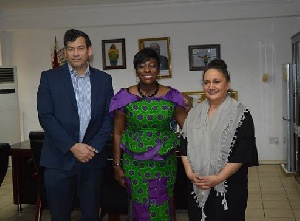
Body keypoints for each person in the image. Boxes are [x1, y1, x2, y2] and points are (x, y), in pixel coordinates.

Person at [37, 29, 113, 221]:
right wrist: (72, 146)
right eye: (71, 49)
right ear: (65, 52)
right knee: (60, 216)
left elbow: (108, 117)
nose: (76, 53)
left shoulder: (104, 80)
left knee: (91, 215)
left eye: (80, 48)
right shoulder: (49, 78)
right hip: (58, 161)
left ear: (90, 50)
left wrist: (92, 147)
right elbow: (46, 116)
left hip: (92, 160)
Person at [109, 47, 187, 220]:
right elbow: (117, 133)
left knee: (162, 202)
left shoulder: (172, 96)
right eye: (142, 66)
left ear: (158, 69)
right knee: (139, 204)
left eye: (152, 66)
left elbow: (188, 128)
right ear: (136, 70)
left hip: (164, 163)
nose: (147, 70)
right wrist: (116, 165)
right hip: (134, 164)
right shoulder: (124, 97)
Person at [181, 59, 258, 221]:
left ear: (228, 84)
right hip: (198, 184)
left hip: (229, 187)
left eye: (216, 82)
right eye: (207, 82)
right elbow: (184, 145)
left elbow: (241, 153)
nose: (211, 86)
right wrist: (189, 173)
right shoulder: (194, 114)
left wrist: (218, 178)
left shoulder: (241, 115)